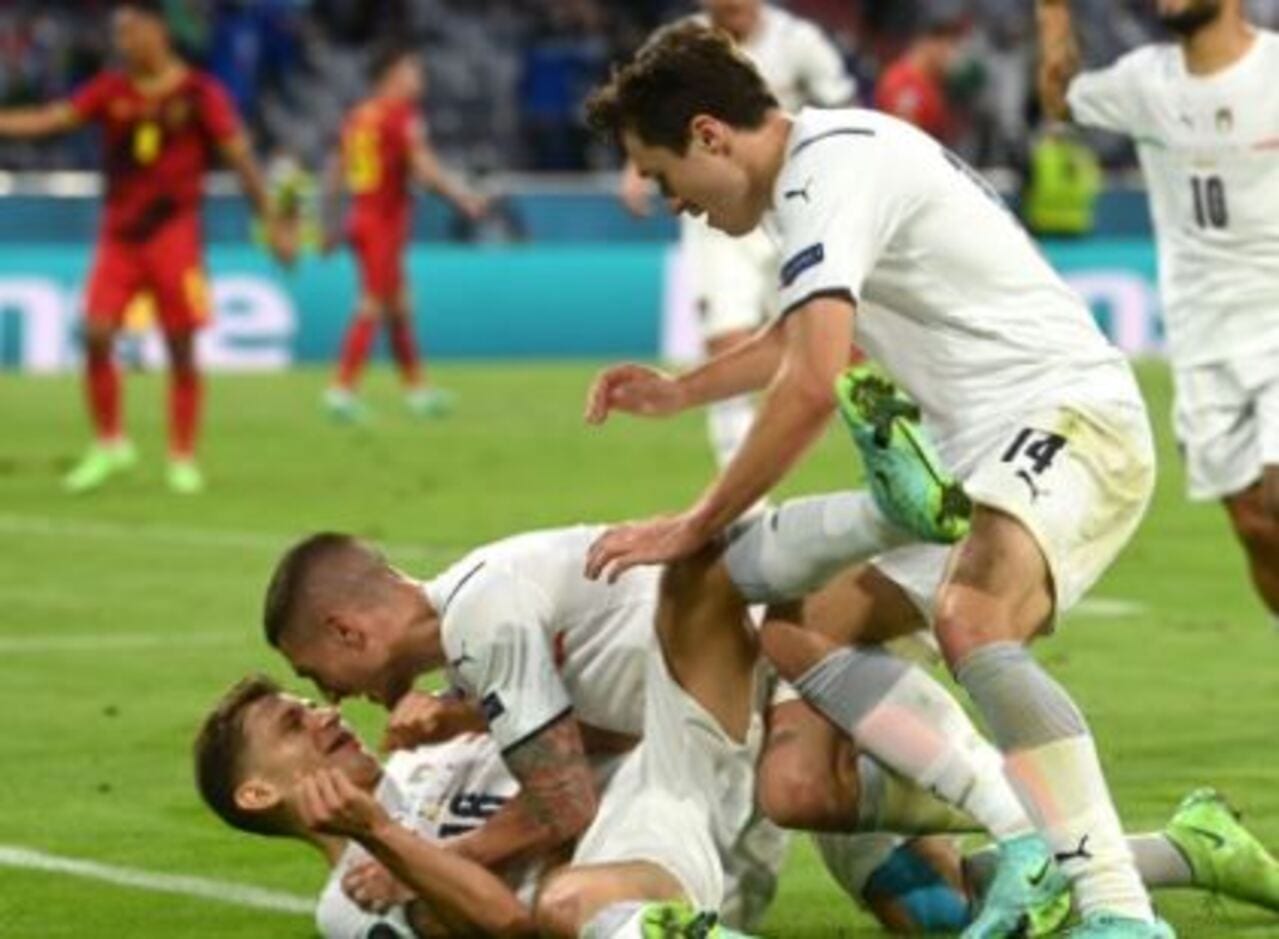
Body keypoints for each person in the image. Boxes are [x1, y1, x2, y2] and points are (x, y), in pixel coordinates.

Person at [583, 22, 1169, 938]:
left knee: (972, 613)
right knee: (802, 630)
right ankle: (1042, 835)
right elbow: (798, 337)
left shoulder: (828, 170)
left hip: (1069, 416)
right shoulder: (811, 181)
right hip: (972, 452)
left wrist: (696, 521)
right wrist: (681, 391)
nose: (668, 202)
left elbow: (813, 381)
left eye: (661, 176)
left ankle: (1118, 911)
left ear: (708, 135)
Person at [1035, 0, 1279, 628]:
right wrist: (1054, 17)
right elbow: (1061, 101)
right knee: (1255, 525)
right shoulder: (1145, 81)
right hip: (1202, 338)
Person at [0, 0, 290, 494]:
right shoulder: (111, 89)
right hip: (119, 235)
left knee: (181, 345)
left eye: (130, 31)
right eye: (119, 33)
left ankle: (182, 456)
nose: (123, 42)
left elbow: (240, 157)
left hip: (174, 235)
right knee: (96, 332)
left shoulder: (199, 93)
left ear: (158, 31)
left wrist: (271, 220)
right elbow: (51, 119)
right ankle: (111, 443)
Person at [620, 0, 856, 473]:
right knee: (726, 336)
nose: (735, 10)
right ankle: (743, 491)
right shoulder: (679, 44)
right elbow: (645, 117)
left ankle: (867, 457)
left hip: (792, 209)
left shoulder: (798, 41)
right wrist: (636, 169)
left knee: (814, 346)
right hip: (714, 212)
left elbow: (843, 110)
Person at [192, 675, 542, 937]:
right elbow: (507, 926)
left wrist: (471, 716)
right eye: (293, 725)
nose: (328, 715)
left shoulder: (425, 747)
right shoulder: (350, 905)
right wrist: (379, 834)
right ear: (259, 794)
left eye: (311, 707)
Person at [322, 45, 488, 424]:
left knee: (399, 308)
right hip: (382, 222)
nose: (419, 79)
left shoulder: (360, 115)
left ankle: (417, 392)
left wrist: (331, 223)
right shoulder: (401, 116)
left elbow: (335, 171)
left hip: (362, 218)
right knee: (371, 304)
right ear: (392, 75)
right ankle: (340, 390)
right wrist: (462, 197)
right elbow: (424, 168)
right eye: (412, 71)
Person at [873, 5, 968, 145]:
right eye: (949, 43)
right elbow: (903, 145)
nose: (953, 52)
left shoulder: (935, 83)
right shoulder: (901, 82)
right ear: (927, 41)